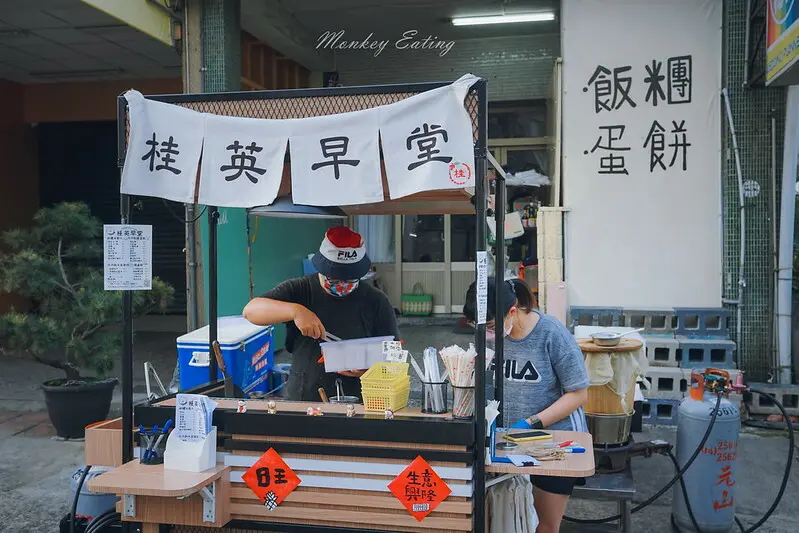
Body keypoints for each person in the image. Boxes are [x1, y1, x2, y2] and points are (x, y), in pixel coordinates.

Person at [463, 277, 589, 533]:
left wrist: (531, 423)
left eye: (489, 326)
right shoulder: (490, 335)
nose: (487, 334)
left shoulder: (551, 334)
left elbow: (578, 393)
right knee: (503, 517)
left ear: (512, 311)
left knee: (545, 525)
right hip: (504, 440)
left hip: (552, 440)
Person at [243, 226, 399, 402]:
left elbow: (394, 355)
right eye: (334, 279)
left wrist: (372, 370)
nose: (342, 284)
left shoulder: (376, 301)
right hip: (304, 398)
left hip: (358, 402)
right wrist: (295, 311)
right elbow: (251, 311)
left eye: (349, 280)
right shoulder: (300, 290)